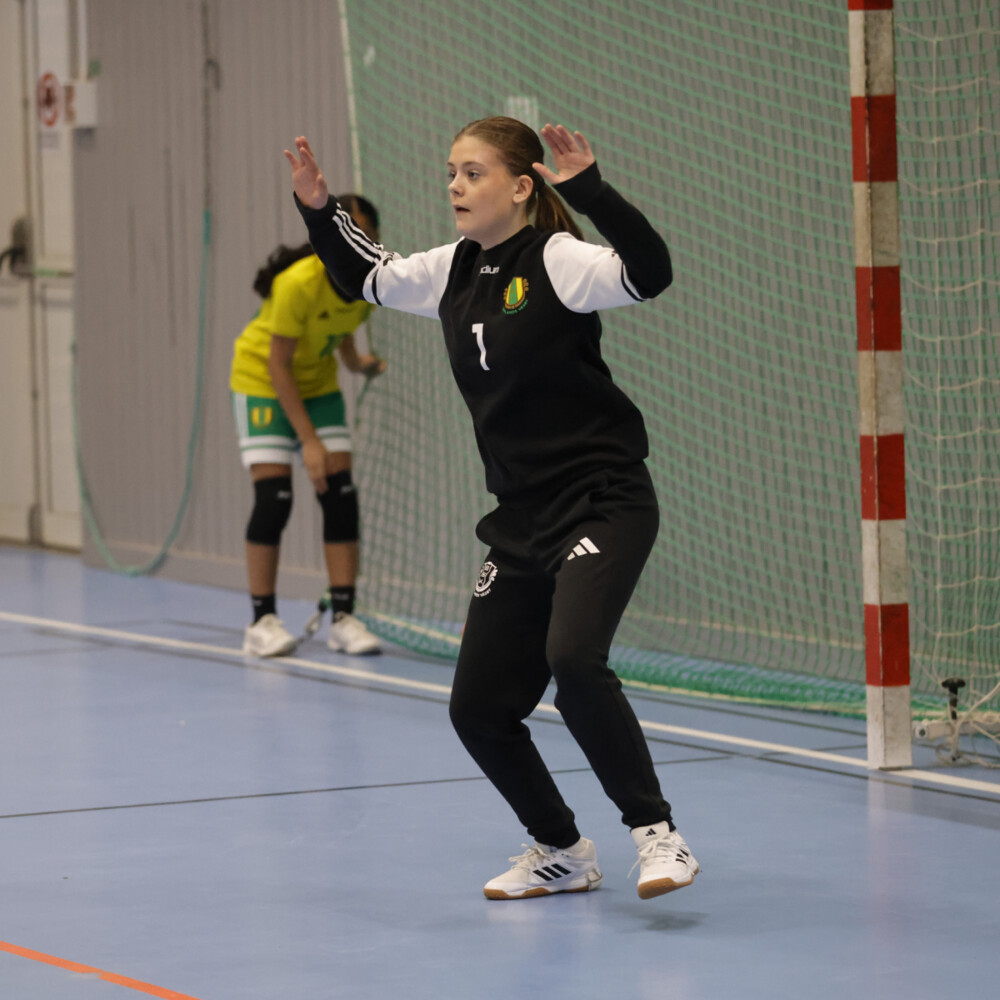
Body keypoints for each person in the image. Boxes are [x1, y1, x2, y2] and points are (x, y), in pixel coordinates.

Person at [285, 119, 699, 900]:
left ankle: (657, 834)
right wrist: (319, 208)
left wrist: (592, 191)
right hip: (521, 519)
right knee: (478, 709)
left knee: (574, 661)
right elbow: (364, 275)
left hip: (601, 500)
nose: (455, 185)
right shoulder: (451, 269)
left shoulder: (558, 260)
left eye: (473, 173)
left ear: (521, 187)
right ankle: (561, 850)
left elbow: (650, 272)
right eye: (451, 172)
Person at [230, 194, 386, 658]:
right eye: (349, 233)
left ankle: (343, 619)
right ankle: (261, 622)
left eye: (365, 235)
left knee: (340, 495)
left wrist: (356, 363)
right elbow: (278, 366)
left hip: (318, 386)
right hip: (262, 380)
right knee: (274, 498)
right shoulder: (297, 283)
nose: (357, 242)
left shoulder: (371, 283)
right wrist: (309, 441)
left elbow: (339, 329)